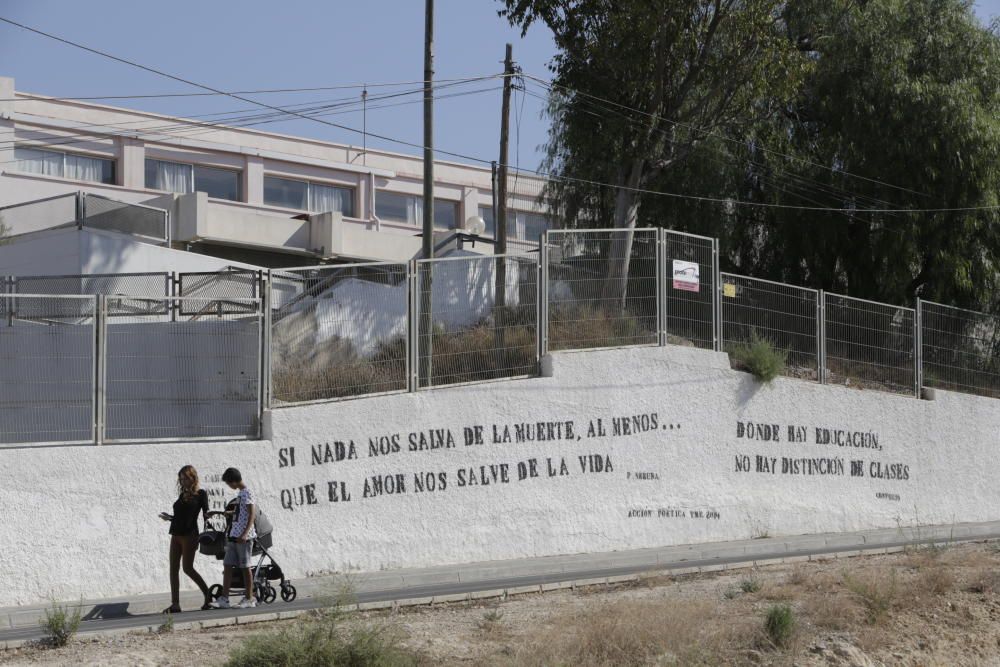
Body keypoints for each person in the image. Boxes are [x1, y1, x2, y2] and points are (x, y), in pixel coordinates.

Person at [158, 465, 213, 613]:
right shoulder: (182, 495)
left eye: (185, 478)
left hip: (190, 536)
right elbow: (181, 517)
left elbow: (205, 513)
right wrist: (169, 517)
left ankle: (208, 596)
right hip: (175, 534)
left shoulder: (201, 494)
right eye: (181, 479)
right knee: (173, 570)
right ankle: (175, 604)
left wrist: (209, 515)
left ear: (192, 478)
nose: (182, 482)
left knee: (187, 568)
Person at [211, 467, 257, 609]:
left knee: (245, 567)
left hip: (243, 537)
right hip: (234, 536)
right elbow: (240, 512)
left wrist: (245, 534)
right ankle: (224, 598)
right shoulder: (240, 495)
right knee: (227, 565)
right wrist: (223, 513)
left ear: (233, 481)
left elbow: (251, 514)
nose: (229, 486)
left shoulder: (247, 493)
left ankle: (249, 598)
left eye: (228, 483)